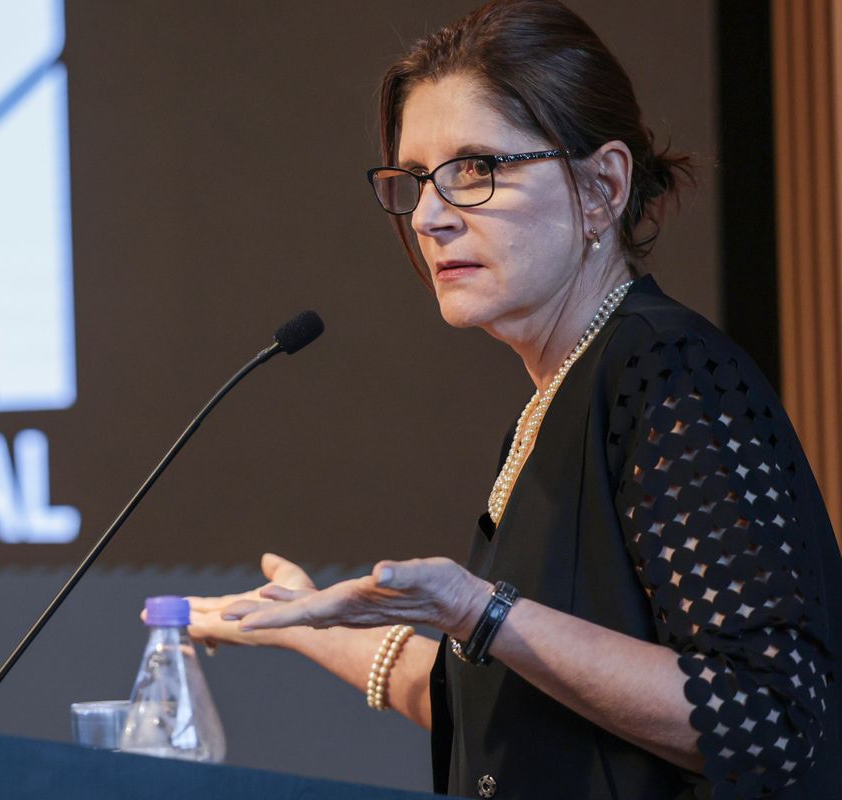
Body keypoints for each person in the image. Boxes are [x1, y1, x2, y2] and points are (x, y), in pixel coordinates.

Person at [182, 1, 842, 798]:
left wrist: (480, 611)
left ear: (602, 188)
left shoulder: (666, 369)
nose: (430, 218)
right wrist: (305, 622)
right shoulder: (559, 397)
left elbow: (768, 716)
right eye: (416, 180)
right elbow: (517, 710)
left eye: (475, 169)